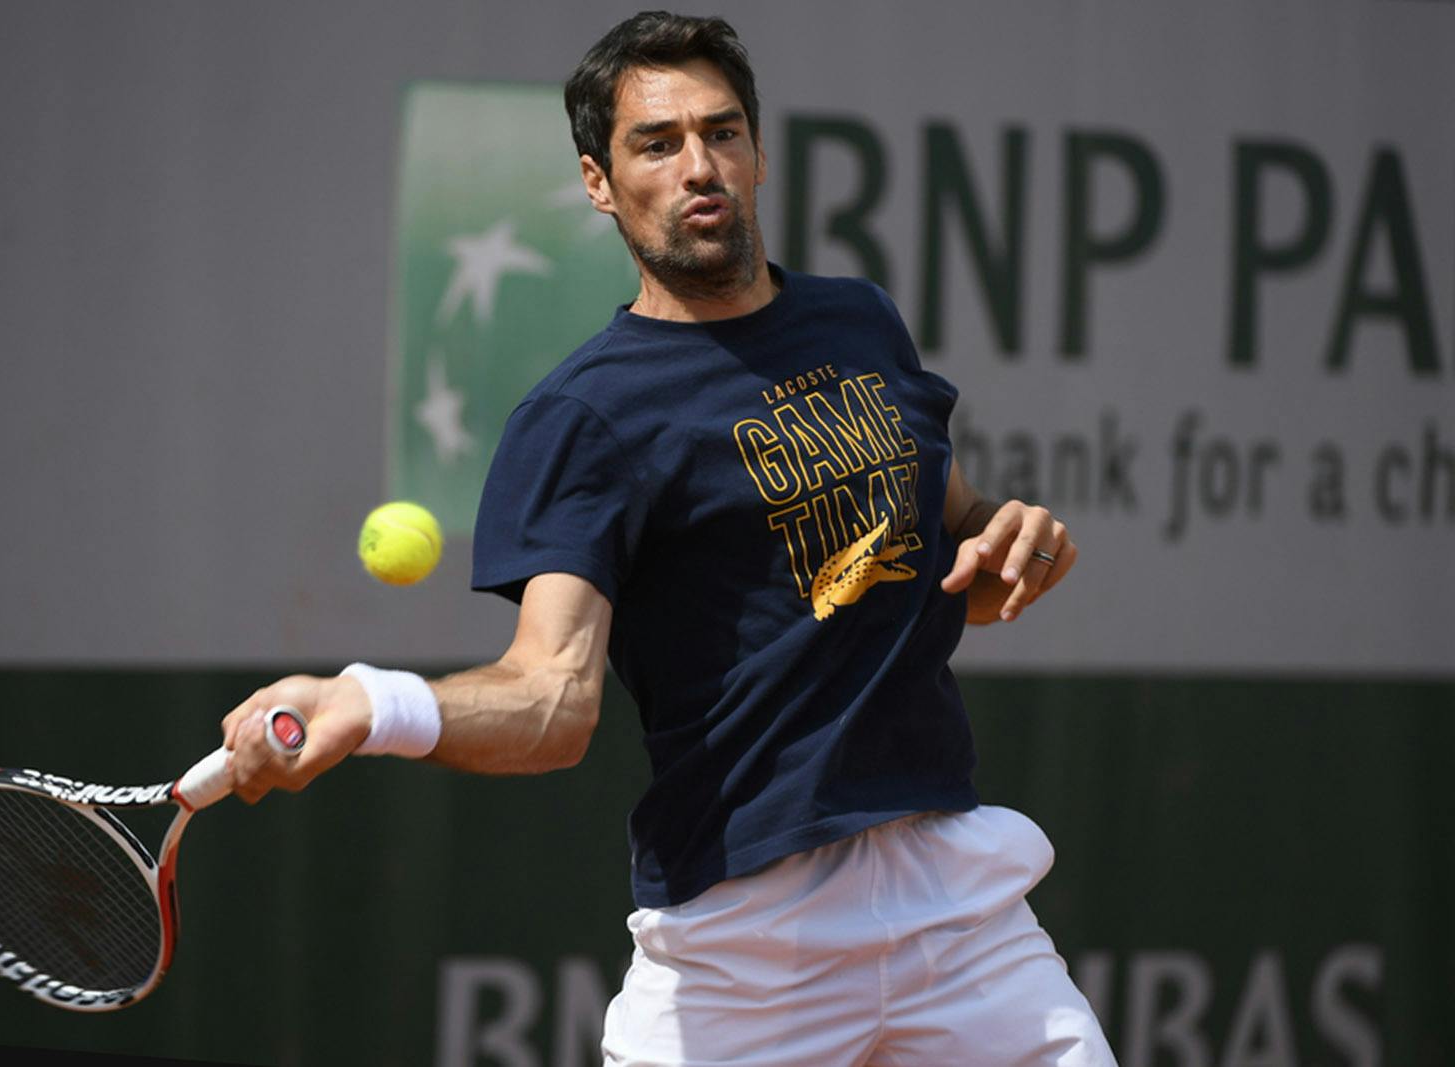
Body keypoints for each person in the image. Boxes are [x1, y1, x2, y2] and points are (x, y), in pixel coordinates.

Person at [222, 11, 1116, 1065]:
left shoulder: (858, 319)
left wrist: (1013, 537)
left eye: (721, 131)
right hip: (748, 942)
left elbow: (950, 530)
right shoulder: (586, 416)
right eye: (657, 142)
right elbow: (553, 699)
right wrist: (372, 700)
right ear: (598, 182)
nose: (699, 165)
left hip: (957, 906)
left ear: (757, 152)